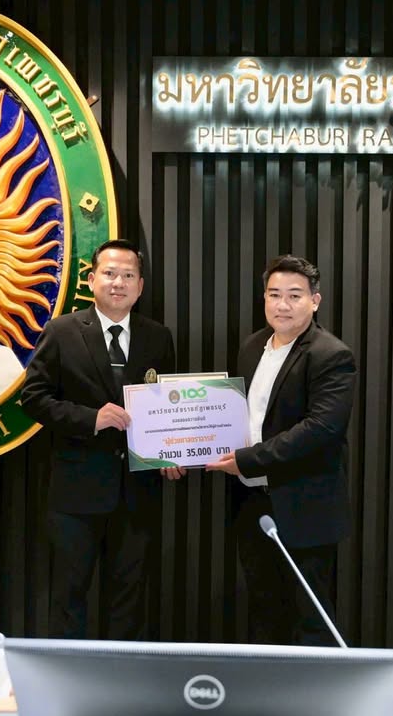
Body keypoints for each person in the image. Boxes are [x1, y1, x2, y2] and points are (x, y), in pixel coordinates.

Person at [20, 239, 183, 640]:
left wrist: (172, 452)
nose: (118, 283)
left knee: (129, 599)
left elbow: (169, 405)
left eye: (128, 275)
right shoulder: (62, 331)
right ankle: (67, 675)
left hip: (138, 492)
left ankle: (121, 674)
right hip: (76, 492)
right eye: (110, 274)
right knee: (68, 596)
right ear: (92, 280)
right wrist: (91, 418)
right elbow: (33, 398)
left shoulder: (158, 337)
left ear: (140, 286)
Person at [206, 255, 356, 646]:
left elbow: (320, 429)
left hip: (304, 505)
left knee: (311, 616)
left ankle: (314, 688)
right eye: (274, 295)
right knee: (263, 608)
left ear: (315, 301)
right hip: (252, 503)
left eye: (294, 295)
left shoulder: (331, 355)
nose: (282, 305)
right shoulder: (252, 346)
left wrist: (246, 460)